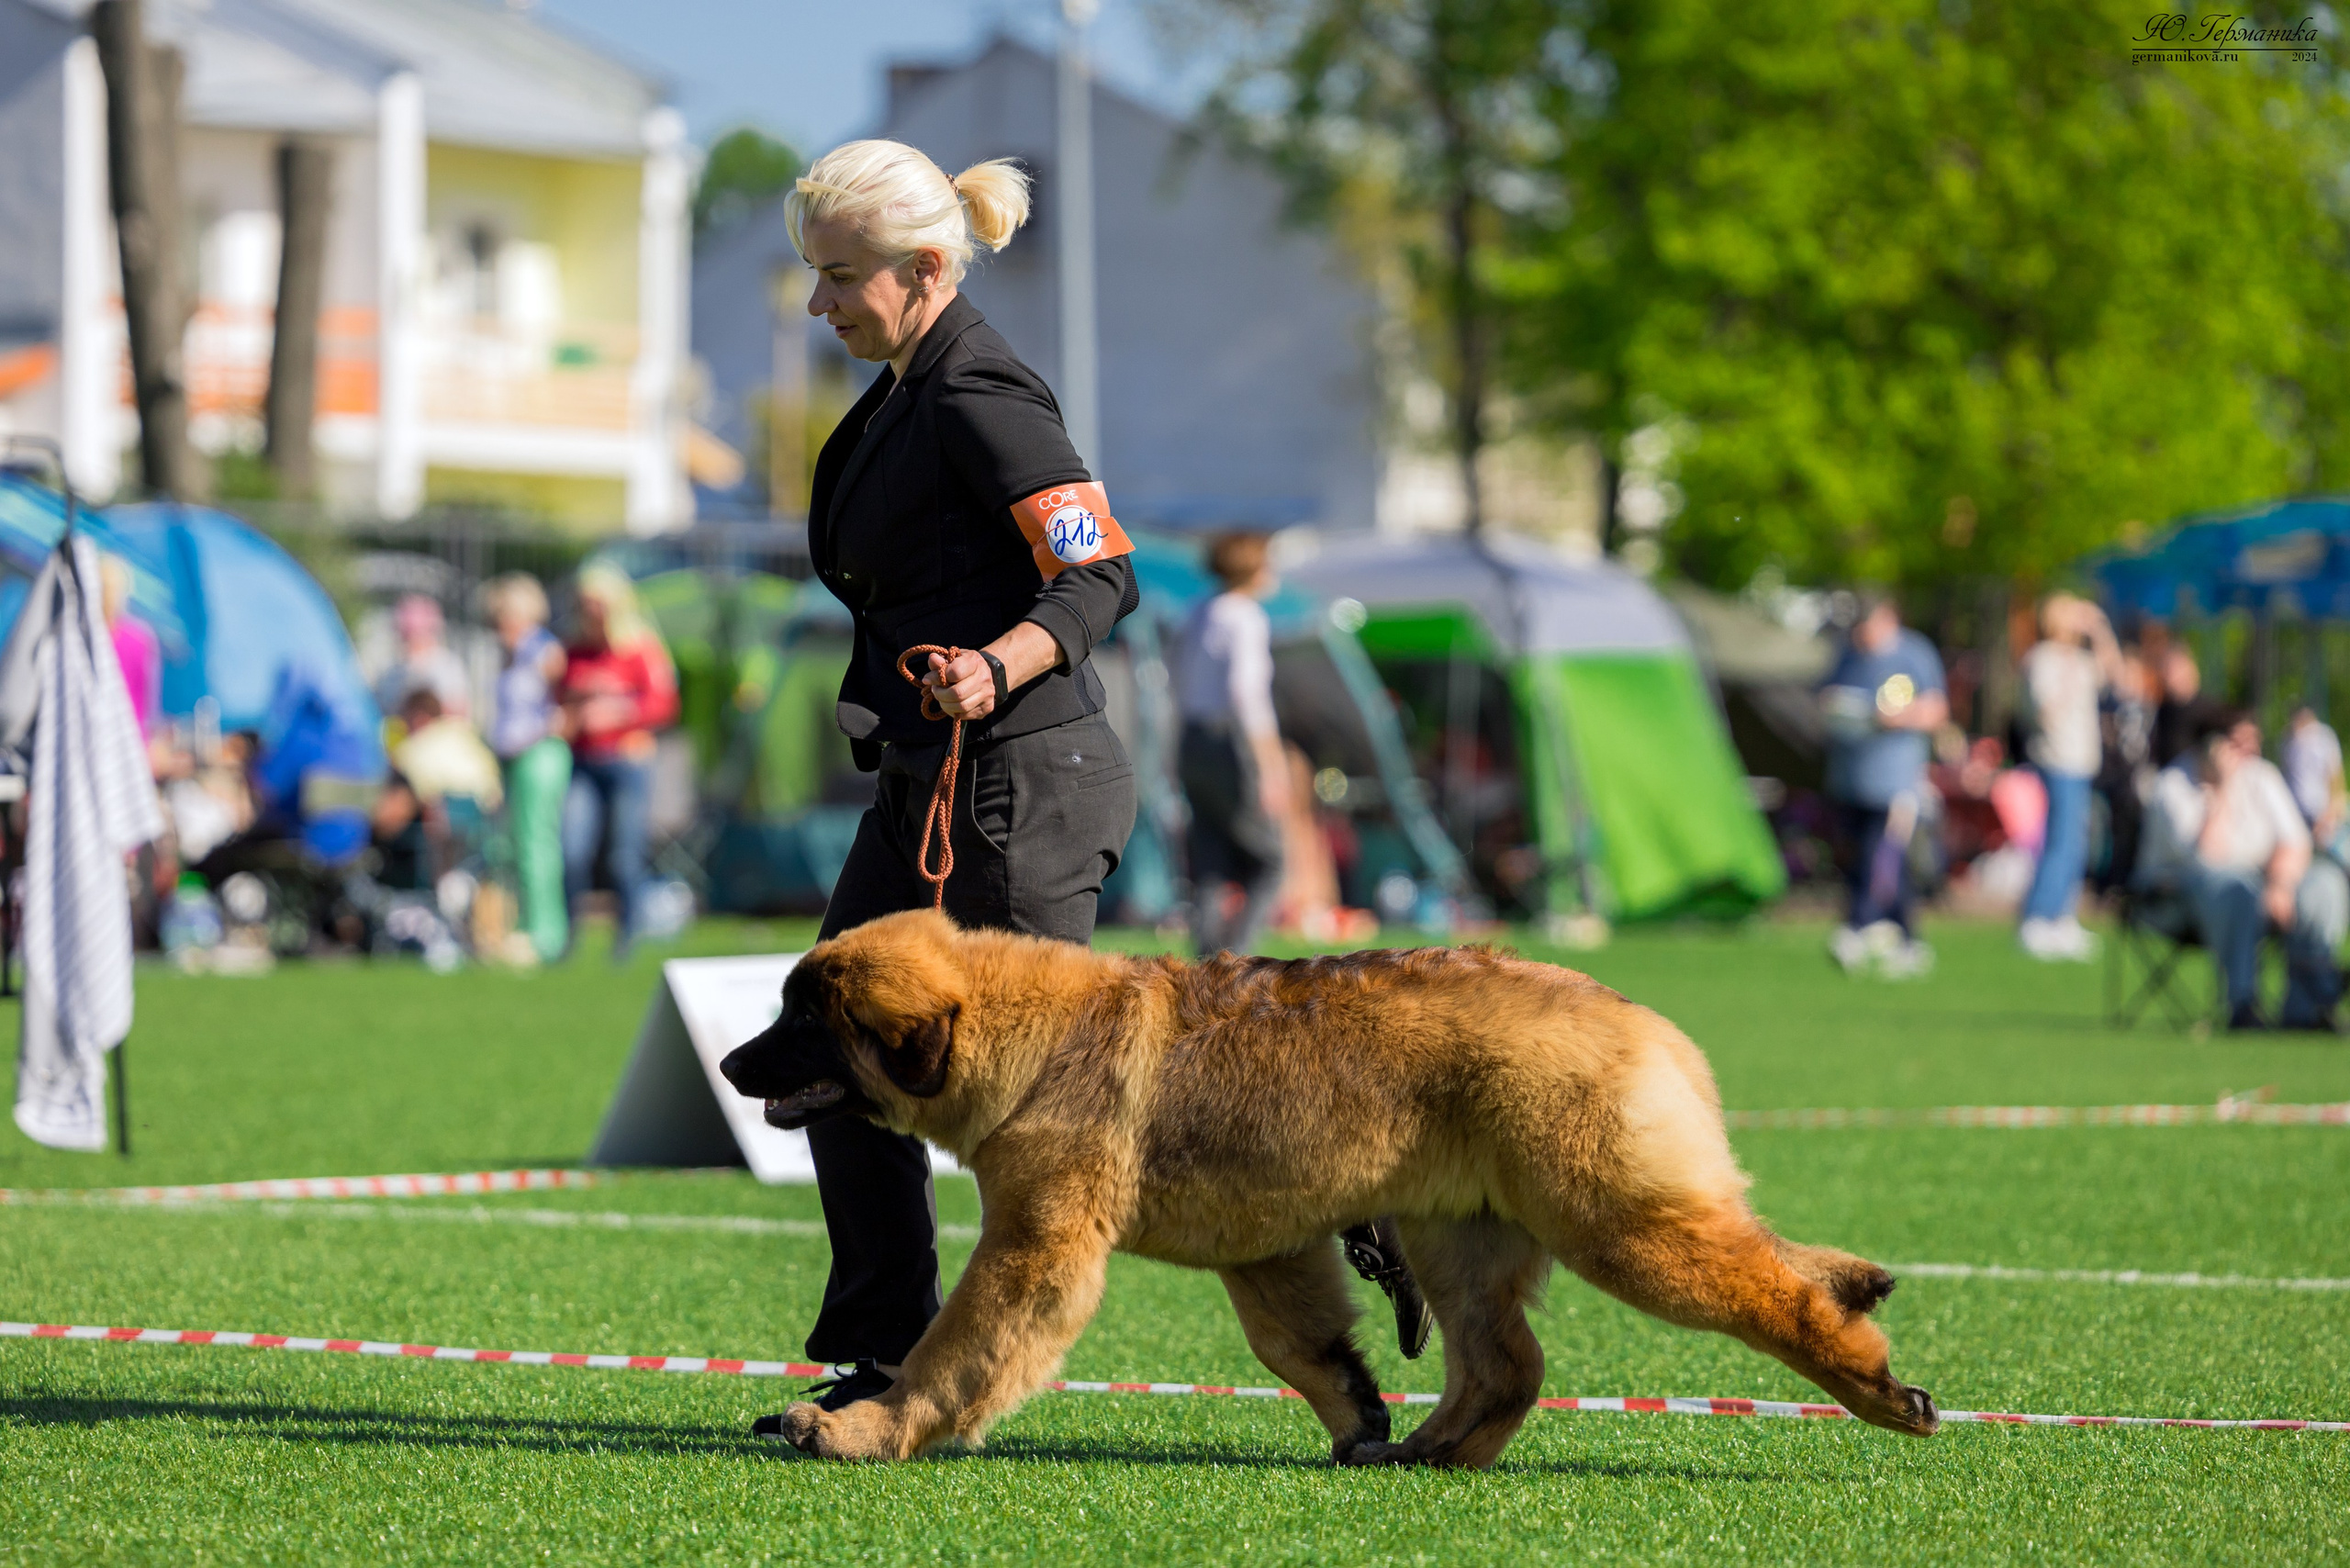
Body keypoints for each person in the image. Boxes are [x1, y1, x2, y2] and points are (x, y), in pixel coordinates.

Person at [2137, 711, 2344, 1031]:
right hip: (2177, 899)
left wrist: (2280, 884)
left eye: (2254, 741)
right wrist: (2222, 788)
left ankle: (2310, 1005)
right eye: (2239, 743)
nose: (2251, 751)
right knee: (2235, 888)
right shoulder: (2173, 785)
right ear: (2210, 746)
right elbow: (2207, 857)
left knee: (2324, 883)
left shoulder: (2262, 777)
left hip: (2263, 887)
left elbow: (2295, 842)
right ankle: (2242, 1003)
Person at [1818, 590, 1948, 977]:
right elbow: (1826, 697)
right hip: (1852, 778)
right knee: (1864, 856)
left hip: (1895, 781)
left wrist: (1898, 718)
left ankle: (1858, 927)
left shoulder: (1914, 654)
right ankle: (1905, 938)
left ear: (1888, 618)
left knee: (1883, 854)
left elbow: (1938, 710)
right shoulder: (1848, 654)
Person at [1176, 532, 1289, 955]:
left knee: (1210, 859)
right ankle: (1236, 957)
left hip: (1192, 740)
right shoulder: (1246, 616)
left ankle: (1206, 961)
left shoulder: (1198, 611)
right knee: (1271, 860)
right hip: (1230, 744)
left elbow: (1177, 680)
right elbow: (1247, 694)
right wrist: (1271, 765)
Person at [558, 565, 677, 961]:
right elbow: (558, 698)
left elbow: (663, 704)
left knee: (624, 854)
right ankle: (568, 934)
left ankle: (627, 936)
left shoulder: (640, 648)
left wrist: (620, 712)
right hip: (583, 761)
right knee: (572, 849)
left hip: (627, 760)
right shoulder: (574, 650)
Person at [2016, 594, 2121, 960]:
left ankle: (2062, 915)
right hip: (2058, 759)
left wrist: (2101, 630)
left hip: (2082, 760)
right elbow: (2045, 710)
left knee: (2077, 842)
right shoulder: (2043, 658)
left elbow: (2115, 675)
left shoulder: (2081, 659)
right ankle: (2039, 916)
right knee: (2061, 839)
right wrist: (2069, 676)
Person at [485, 573, 570, 961]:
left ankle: (545, 934)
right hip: (514, 758)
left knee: (537, 844)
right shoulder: (510, 654)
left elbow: (564, 701)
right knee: (514, 845)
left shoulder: (543, 651)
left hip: (539, 754)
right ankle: (521, 926)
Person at [375, 594, 471, 724]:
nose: (411, 643)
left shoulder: (448, 668)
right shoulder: (391, 675)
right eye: (407, 637)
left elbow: (459, 716)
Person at [2282, 704, 2344, 857]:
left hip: (2321, 813)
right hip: (2297, 813)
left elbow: (2336, 778)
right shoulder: (2288, 740)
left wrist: (2329, 814)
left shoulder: (2324, 737)